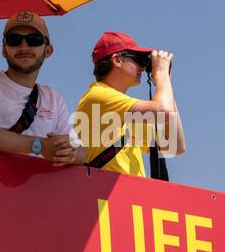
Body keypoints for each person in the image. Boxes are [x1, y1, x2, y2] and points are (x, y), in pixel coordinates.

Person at [0, 12, 83, 166]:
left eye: (34, 40)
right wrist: (39, 147)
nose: (24, 46)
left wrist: (71, 153)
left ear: (48, 50)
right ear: (4, 50)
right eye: (14, 40)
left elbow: (80, 151)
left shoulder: (53, 98)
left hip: (38, 187)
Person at [73, 31, 185, 178]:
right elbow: (165, 112)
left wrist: (165, 82)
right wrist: (162, 76)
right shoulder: (98, 96)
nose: (143, 67)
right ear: (117, 60)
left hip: (125, 197)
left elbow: (174, 146)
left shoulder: (124, 109)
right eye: (138, 59)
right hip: (105, 198)